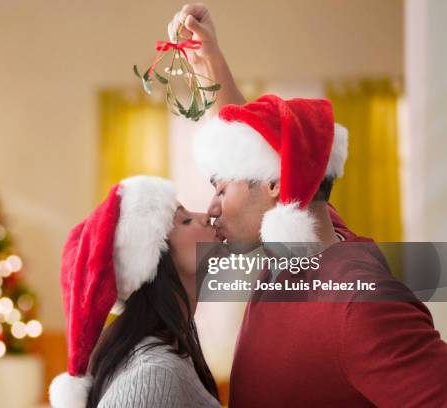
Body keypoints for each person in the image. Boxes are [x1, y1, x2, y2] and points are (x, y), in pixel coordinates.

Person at [169, 4, 447, 407]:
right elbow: (265, 147)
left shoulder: (360, 303)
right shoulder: (297, 245)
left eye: (221, 189)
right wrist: (209, 59)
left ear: (277, 187)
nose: (211, 208)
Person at [49, 175, 223, 408]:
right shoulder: (153, 375)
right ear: (155, 260)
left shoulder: (166, 358)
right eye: (185, 221)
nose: (206, 218)